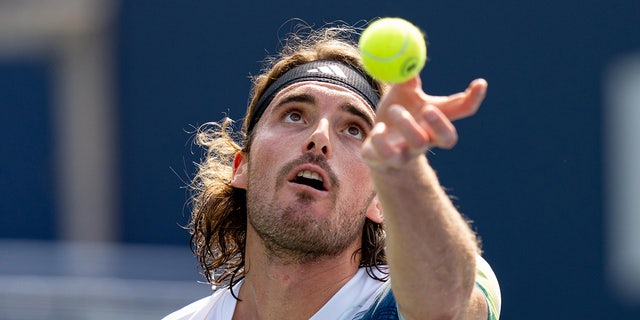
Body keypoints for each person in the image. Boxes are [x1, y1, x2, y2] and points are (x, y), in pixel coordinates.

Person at [164, 22, 501, 320]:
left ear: (379, 200)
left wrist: (402, 170)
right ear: (243, 167)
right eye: (295, 115)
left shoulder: (414, 295)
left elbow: (446, 309)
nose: (319, 138)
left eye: (353, 129)